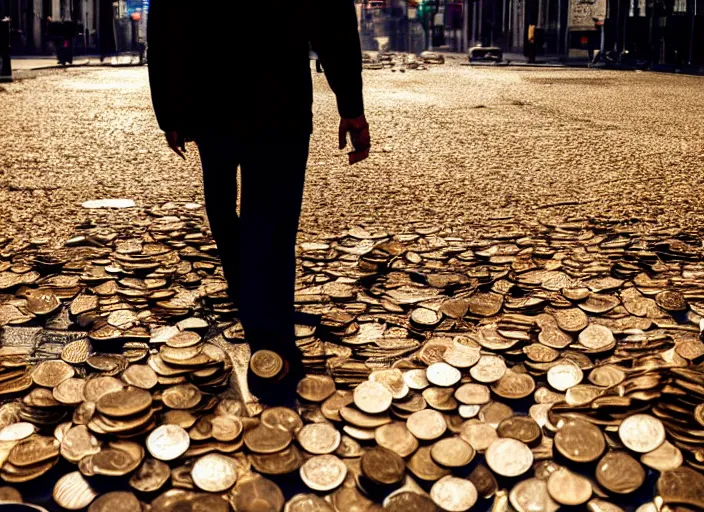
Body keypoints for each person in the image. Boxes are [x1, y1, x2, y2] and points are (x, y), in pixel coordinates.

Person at [147, 0, 370, 405]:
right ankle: (270, 333)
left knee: (224, 208)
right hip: (277, 94)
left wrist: (170, 105)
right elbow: (331, 17)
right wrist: (351, 105)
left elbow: (166, 18)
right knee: (272, 219)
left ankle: (258, 316)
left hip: (211, 94)